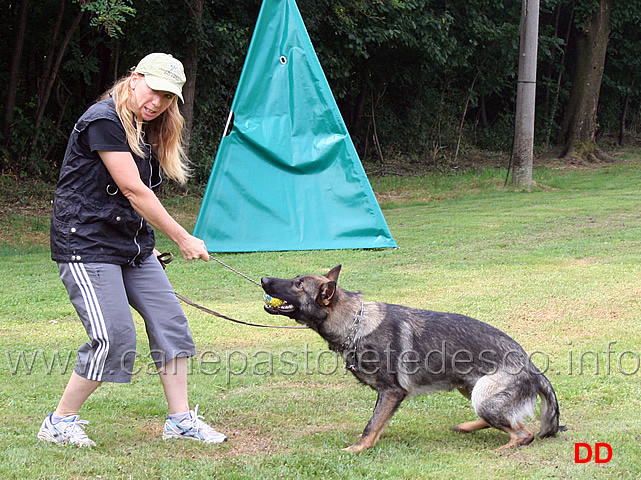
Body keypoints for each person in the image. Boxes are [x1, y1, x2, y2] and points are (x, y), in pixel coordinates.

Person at [38, 53, 226, 447]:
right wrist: (183, 237)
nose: (157, 102)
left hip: (132, 247)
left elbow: (132, 202)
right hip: (86, 245)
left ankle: (180, 421)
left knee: (171, 324)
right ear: (135, 78)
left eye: (168, 97)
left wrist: (146, 244)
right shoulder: (104, 120)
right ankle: (59, 422)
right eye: (154, 91)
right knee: (114, 337)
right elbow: (132, 190)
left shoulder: (147, 129)